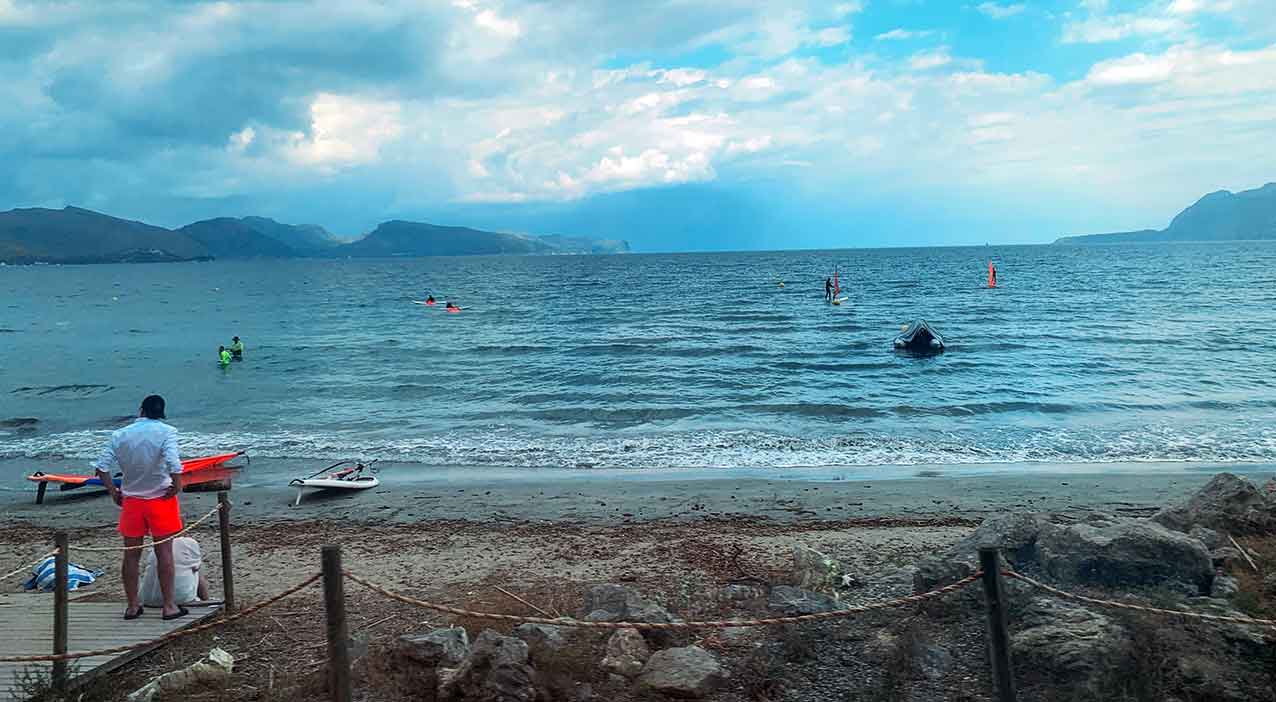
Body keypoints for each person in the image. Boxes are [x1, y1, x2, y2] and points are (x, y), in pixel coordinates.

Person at [93, 395, 189, 621]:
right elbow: (173, 462)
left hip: (132, 499)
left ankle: (132, 605)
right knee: (164, 553)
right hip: (160, 498)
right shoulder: (167, 432)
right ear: (161, 413)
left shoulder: (121, 434)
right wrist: (177, 484)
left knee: (131, 556)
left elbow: (101, 466)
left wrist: (113, 491)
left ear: (141, 411)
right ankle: (168, 606)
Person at [141, 536, 208, 607]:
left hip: (146, 599)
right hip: (177, 600)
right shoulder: (188, 542)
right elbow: (196, 568)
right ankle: (206, 600)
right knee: (195, 568)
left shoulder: (156, 543)